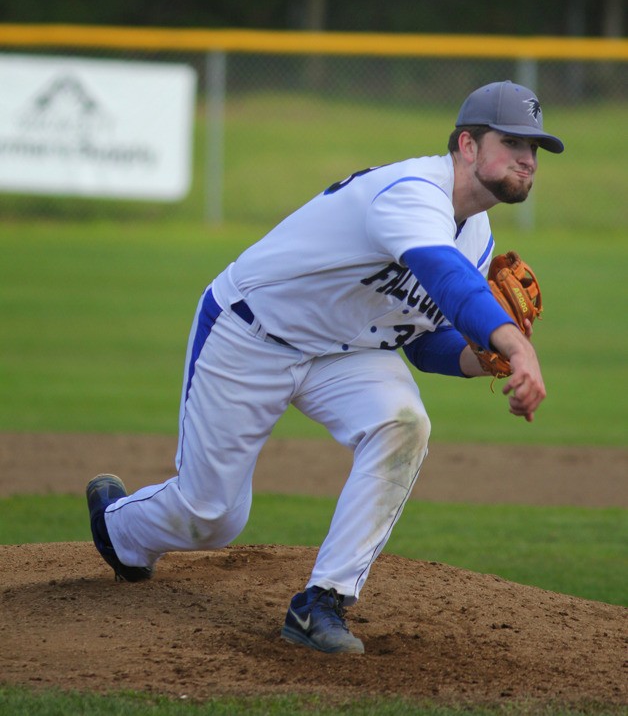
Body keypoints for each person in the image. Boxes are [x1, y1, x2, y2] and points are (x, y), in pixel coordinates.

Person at [87, 79, 564, 655]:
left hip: (345, 352)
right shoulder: (413, 191)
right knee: (210, 517)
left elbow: (419, 341)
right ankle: (120, 529)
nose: (526, 158)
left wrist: (481, 358)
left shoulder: (478, 237)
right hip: (251, 334)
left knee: (403, 423)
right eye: (512, 141)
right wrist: (516, 344)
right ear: (466, 145)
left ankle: (323, 603)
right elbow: (446, 279)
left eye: (534, 148)